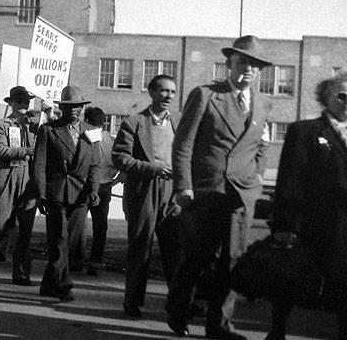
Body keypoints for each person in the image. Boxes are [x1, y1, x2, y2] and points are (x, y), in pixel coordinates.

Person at [166, 35, 273, 340]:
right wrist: (183, 186)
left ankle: (220, 325)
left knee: (233, 260)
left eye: (255, 65)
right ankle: (178, 311)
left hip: (242, 195)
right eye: (243, 62)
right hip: (206, 191)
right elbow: (183, 145)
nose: (249, 69)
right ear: (229, 64)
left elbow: (262, 145)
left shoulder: (264, 103)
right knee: (198, 257)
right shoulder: (206, 95)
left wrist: (257, 176)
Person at [265, 71, 347, 340]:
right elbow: (290, 179)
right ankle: (277, 332)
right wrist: (285, 224)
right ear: (326, 97)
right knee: (291, 278)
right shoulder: (305, 131)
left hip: (344, 227)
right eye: (342, 95)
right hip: (313, 223)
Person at [112, 75, 183, 318]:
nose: (168, 96)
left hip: (172, 193)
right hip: (143, 191)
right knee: (140, 249)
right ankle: (132, 302)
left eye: (172, 92)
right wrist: (149, 167)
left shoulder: (179, 123)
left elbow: (187, 156)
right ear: (151, 92)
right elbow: (120, 157)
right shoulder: (134, 122)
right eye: (163, 91)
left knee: (175, 251)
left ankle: (178, 306)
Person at [32, 85, 101, 302]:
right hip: (56, 193)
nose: (74, 111)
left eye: (77, 107)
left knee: (68, 242)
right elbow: (39, 164)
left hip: (80, 195)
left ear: (82, 108)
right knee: (60, 238)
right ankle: (63, 285)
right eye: (69, 107)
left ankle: (48, 284)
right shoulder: (48, 130)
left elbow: (95, 165)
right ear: (62, 108)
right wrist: (41, 193)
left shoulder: (91, 131)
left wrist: (94, 190)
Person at [0, 86, 43, 285]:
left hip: (29, 178)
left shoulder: (36, 125)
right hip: (8, 176)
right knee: (2, 224)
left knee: (25, 229)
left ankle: (21, 273)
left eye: (27, 101)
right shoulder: (1, 125)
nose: (24, 104)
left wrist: (47, 113)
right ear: (10, 103)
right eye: (19, 100)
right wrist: (25, 150)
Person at [73, 106, 121, 276]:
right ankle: (95, 261)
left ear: (87, 120)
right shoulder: (110, 139)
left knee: (79, 224)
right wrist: (115, 180)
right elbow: (120, 162)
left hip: (84, 184)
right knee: (100, 226)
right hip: (105, 185)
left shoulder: (85, 137)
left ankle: (76, 260)